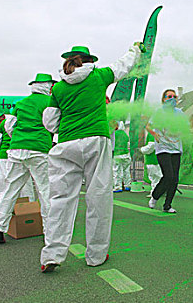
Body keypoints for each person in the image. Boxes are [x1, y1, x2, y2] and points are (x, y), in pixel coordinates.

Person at [40, 44, 143, 272]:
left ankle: (52, 255)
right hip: (96, 140)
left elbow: (50, 123)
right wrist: (135, 49)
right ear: (88, 60)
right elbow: (124, 65)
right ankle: (96, 255)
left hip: (65, 144)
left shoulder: (57, 89)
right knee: (99, 197)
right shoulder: (98, 76)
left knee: (60, 201)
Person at [0, 73, 56, 243]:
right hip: (39, 149)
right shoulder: (49, 102)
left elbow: (9, 126)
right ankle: (50, 232)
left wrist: (19, 139)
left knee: (10, 189)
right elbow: (53, 124)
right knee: (45, 190)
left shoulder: (20, 103)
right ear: (47, 86)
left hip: (17, 150)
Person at [147, 89, 184, 214]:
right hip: (162, 148)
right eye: (169, 96)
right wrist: (154, 134)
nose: (172, 98)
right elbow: (148, 126)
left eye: (174, 96)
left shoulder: (179, 112)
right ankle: (155, 196)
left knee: (175, 179)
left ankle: (167, 205)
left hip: (176, 149)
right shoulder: (158, 112)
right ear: (163, 99)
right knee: (168, 175)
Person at [112, 121, 132, 192]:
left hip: (117, 155)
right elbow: (128, 144)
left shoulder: (114, 134)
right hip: (126, 154)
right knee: (126, 170)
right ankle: (128, 185)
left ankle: (118, 187)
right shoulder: (125, 134)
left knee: (117, 171)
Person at [140, 133, 162, 197]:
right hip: (159, 158)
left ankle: (155, 193)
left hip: (153, 159)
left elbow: (152, 145)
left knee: (155, 177)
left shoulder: (153, 132)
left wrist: (142, 150)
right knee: (158, 177)